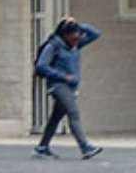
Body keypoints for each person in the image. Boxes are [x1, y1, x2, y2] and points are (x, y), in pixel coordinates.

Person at [33, 16, 103, 160]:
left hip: (71, 87)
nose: (76, 40)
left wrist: (77, 24)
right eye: (73, 37)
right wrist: (63, 76)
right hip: (58, 85)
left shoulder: (75, 45)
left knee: (55, 118)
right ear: (65, 35)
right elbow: (41, 65)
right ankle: (85, 147)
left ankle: (42, 147)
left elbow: (96, 33)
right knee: (73, 113)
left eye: (78, 37)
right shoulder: (53, 46)